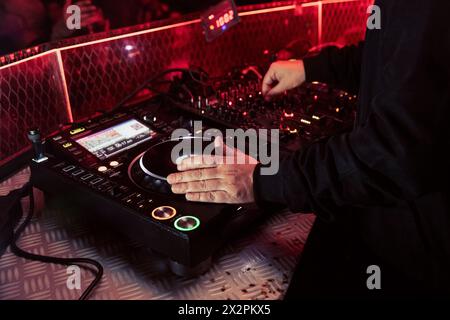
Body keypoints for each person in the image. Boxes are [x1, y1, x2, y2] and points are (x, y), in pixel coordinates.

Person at [167, 0, 450, 297]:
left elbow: (394, 152)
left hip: (422, 260)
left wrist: (262, 180)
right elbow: (395, 55)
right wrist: (312, 67)